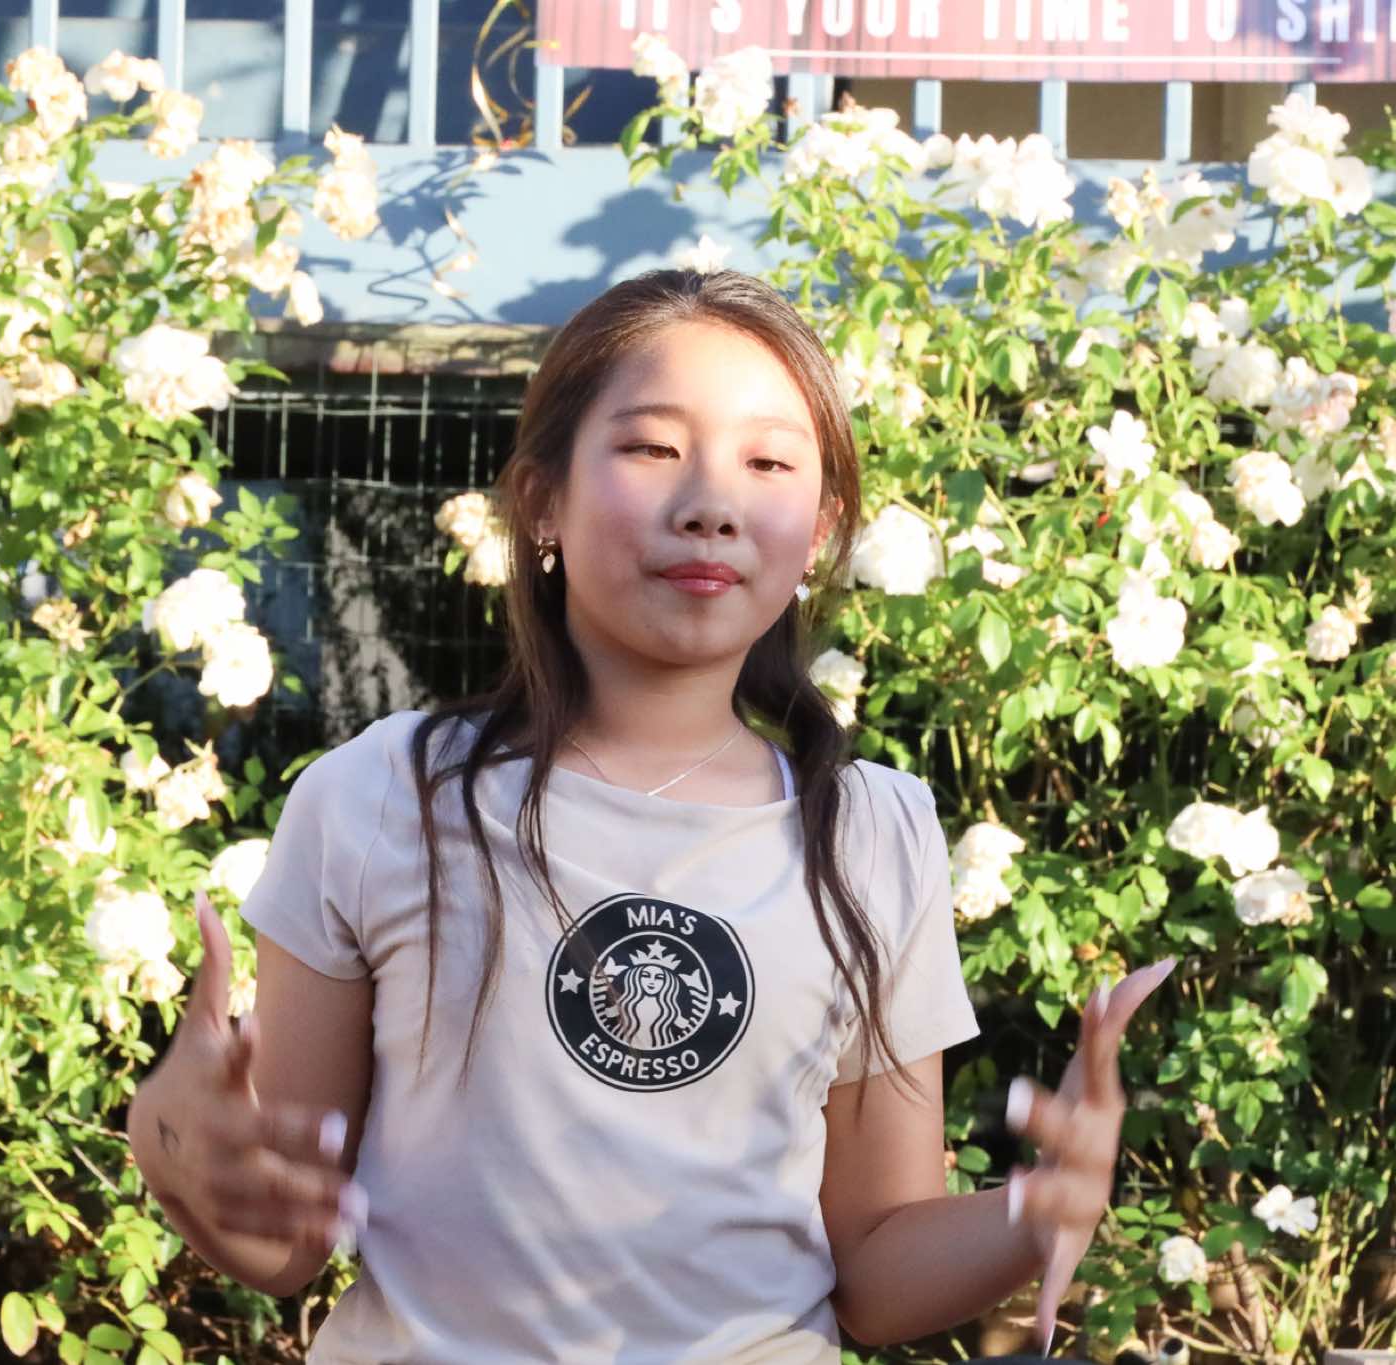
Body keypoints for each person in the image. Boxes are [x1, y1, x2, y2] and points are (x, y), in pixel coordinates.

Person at [125, 269, 1173, 1362]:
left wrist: (1035, 1211)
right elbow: (286, 1241)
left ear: (819, 531)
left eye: (768, 463)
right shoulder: (381, 797)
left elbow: (872, 1266)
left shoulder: (871, 833)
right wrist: (171, 1138)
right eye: (652, 448)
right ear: (541, 501)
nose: (711, 503)